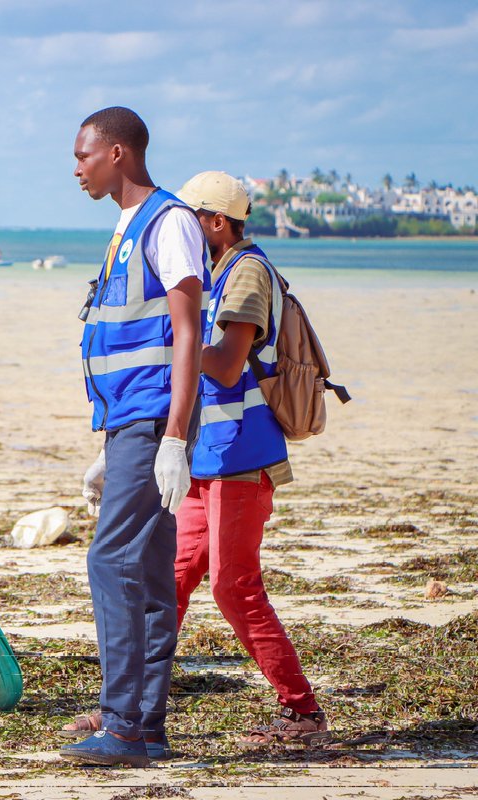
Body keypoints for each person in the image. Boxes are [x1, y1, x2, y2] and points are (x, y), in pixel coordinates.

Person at [60, 107, 208, 766]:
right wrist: (112, 443)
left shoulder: (168, 221)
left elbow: (186, 333)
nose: (77, 168)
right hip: (132, 423)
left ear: (117, 153)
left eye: (84, 155)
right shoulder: (125, 228)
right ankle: (146, 728)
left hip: (153, 422)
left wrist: (173, 436)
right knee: (146, 572)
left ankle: (122, 724)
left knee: (110, 562)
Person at [173, 171, 329, 745]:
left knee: (233, 586)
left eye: (190, 220)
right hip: (205, 456)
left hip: (242, 455)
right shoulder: (214, 271)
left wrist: (174, 338)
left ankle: (302, 710)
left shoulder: (246, 273)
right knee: (173, 578)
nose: (181, 230)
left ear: (217, 222)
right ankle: (134, 705)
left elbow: (230, 363)